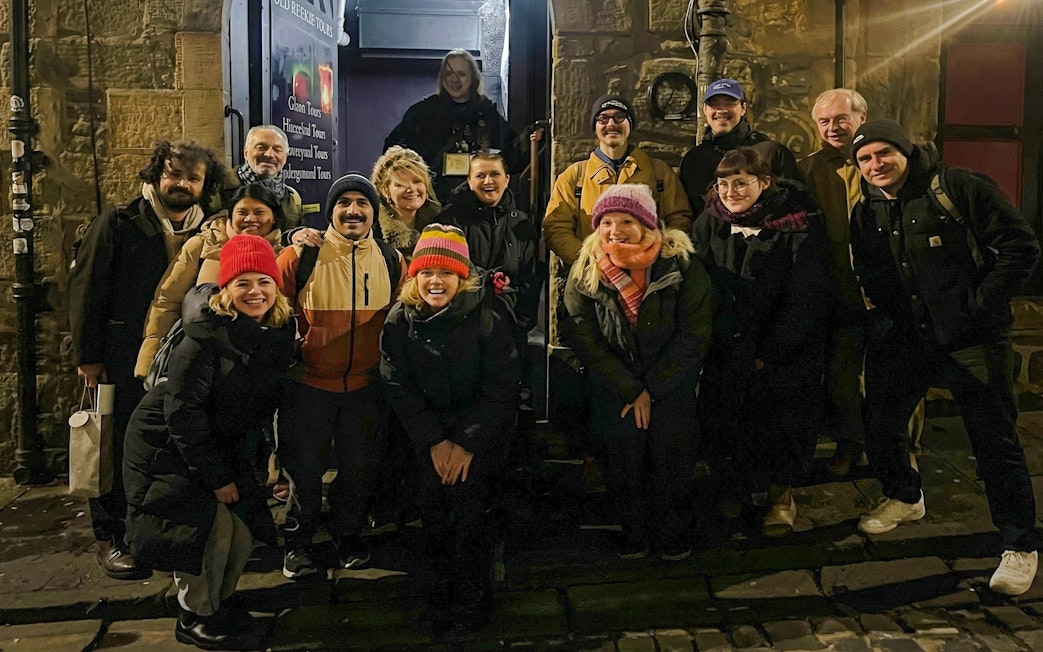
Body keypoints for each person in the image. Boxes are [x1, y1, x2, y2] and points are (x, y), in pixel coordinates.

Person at [848, 119, 1041, 595]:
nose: (876, 165)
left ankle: (1019, 544)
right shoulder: (867, 206)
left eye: (883, 154)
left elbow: (1020, 247)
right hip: (906, 335)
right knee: (880, 418)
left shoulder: (957, 186)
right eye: (865, 159)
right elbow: (871, 267)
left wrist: (978, 307)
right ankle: (904, 495)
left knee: (993, 439)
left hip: (972, 338)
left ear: (905, 151)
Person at [122, 234, 295, 650]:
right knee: (207, 533)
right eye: (243, 283)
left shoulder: (274, 330)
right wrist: (218, 476)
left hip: (220, 443)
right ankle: (195, 615)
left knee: (243, 532)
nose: (255, 292)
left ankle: (220, 602)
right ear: (225, 289)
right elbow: (184, 415)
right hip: (170, 448)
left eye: (264, 281)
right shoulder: (202, 338)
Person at [68, 139, 225, 580]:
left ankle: (155, 531)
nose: (182, 183)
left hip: (178, 355)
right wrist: (88, 356)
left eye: (193, 178)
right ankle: (110, 535)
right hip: (121, 354)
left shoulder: (208, 232)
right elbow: (86, 290)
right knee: (113, 443)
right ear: (157, 175)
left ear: (203, 185)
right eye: (174, 174)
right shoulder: (118, 222)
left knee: (162, 443)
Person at [380, 224, 520, 634]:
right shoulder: (399, 320)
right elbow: (396, 383)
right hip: (429, 435)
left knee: (473, 506)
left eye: (445, 272)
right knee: (433, 509)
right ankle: (440, 588)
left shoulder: (488, 317)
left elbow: (502, 385)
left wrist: (465, 444)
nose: (435, 281)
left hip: (478, 434)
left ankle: (474, 589)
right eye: (426, 272)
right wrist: (435, 442)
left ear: (463, 277)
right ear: (414, 276)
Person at [561, 183, 712, 560]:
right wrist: (631, 389)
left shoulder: (681, 264)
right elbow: (583, 336)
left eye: (626, 220)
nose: (615, 230)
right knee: (622, 455)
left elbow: (694, 335)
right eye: (607, 221)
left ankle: (670, 526)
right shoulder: (585, 270)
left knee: (670, 454)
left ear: (647, 223)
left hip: (670, 384)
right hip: (616, 385)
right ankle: (634, 528)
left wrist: (654, 389)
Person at [691, 148, 827, 537]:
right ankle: (732, 487)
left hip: (782, 349)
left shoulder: (796, 225)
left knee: (778, 424)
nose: (731, 191)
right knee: (725, 419)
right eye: (723, 184)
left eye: (741, 182)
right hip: (727, 344)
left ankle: (780, 496)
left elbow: (805, 294)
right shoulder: (709, 224)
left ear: (764, 182)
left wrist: (773, 350)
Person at [275, 173, 406, 579]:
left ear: (373, 212)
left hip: (365, 387)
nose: (353, 210)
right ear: (331, 210)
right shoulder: (299, 257)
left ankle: (347, 538)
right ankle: (298, 545)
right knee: (304, 473)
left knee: (358, 470)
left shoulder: (391, 260)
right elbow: (273, 313)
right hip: (308, 385)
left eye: (362, 203)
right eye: (344, 202)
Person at [135, 184, 287, 378]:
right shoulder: (202, 245)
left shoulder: (284, 253)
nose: (250, 219)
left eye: (259, 212)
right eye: (242, 212)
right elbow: (167, 300)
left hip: (256, 367)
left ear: (273, 216)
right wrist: (149, 361)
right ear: (230, 215)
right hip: (198, 360)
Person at [798, 88, 869, 477]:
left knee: (893, 375)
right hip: (834, 288)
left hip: (884, 288)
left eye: (841, 118)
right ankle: (848, 444)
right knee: (841, 375)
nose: (832, 127)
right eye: (824, 121)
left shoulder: (879, 160)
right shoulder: (808, 170)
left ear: (861, 117)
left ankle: (904, 449)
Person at [543, 94, 693, 267]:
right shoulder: (574, 177)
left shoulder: (659, 172)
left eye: (619, 117)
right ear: (595, 127)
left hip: (649, 276)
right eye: (603, 118)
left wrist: (656, 256)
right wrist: (590, 262)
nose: (611, 124)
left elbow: (679, 218)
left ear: (630, 124)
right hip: (592, 279)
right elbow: (556, 228)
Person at [384, 49, 535, 202]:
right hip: (432, 202)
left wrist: (531, 138)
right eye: (448, 74)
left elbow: (510, 156)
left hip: (477, 202)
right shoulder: (422, 113)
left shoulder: (487, 114)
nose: (454, 80)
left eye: (461, 74)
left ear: (473, 78)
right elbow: (394, 152)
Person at [437, 150, 540, 331]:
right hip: (461, 327)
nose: (488, 181)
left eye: (495, 174)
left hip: (508, 327)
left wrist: (520, 322)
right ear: (469, 181)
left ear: (507, 179)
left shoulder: (521, 224)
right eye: (480, 175)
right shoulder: (450, 219)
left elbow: (530, 279)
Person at [679, 78, 803, 216]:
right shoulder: (693, 160)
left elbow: (794, 206)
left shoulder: (772, 153)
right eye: (714, 104)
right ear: (705, 110)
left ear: (743, 108)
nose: (721, 110)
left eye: (730, 103)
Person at [218, 125, 304, 232]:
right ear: (246, 152)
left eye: (277, 150)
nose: (269, 154)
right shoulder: (218, 187)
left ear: (286, 156)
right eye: (261, 147)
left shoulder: (293, 198)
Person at [370, 146, 442, 260]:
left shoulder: (441, 225)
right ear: (385, 191)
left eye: (417, 181)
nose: (411, 189)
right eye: (401, 184)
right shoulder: (372, 233)